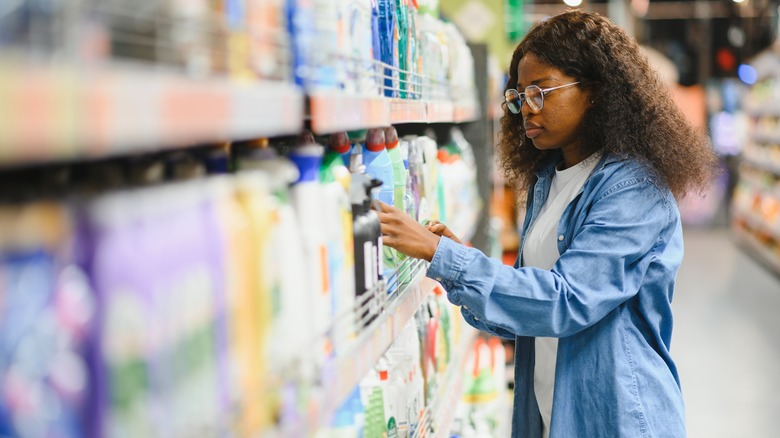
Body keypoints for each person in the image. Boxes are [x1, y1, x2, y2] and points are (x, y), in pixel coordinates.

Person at [377, 10, 716, 438]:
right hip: (553, 417)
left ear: (594, 90)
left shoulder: (633, 188)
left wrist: (446, 257)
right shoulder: (547, 180)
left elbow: (565, 302)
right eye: (518, 98)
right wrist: (460, 263)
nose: (526, 111)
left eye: (540, 93)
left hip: (615, 419)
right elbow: (528, 313)